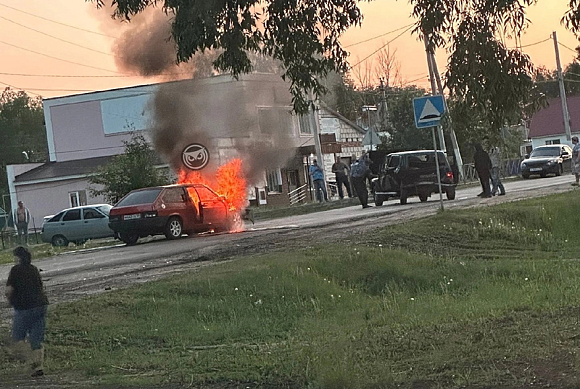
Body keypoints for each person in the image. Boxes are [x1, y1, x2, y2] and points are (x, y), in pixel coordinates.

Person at [5, 246, 49, 377]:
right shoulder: (34, 269)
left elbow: (8, 291)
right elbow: (40, 286)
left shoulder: (15, 270)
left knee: (17, 339)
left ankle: (30, 362)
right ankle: (39, 366)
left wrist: (10, 301)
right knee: (36, 339)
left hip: (24, 307)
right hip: (40, 306)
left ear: (17, 257)